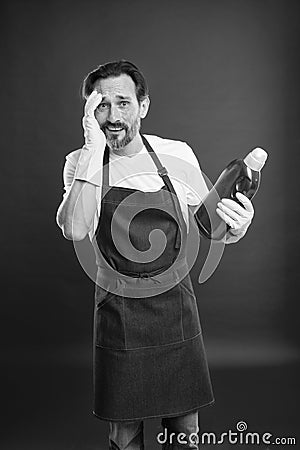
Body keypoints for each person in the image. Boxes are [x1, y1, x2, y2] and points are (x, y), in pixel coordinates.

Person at [56, 60, 254, 450]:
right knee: (124, 435)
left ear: (143, 106)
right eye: (102, 105)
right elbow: (75, 228)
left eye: (124, 103)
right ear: (89, 112)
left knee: (185, 433)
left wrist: (237, 226)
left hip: (176, 311)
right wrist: (92, 154)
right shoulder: (80, 164)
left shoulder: (175, 154)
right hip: (120, 314)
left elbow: (210, 225)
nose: (113, 117)